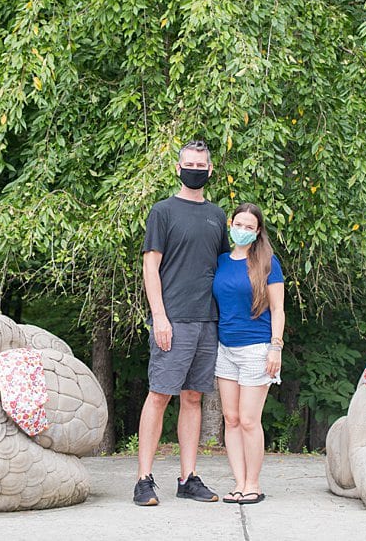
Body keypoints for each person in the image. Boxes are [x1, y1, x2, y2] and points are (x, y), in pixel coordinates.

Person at [133, 140, 230, 506]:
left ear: (209, 170)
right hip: (172, 320)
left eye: (200, 164)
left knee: (193, 398)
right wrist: (160, 316)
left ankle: (187, 478)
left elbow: (224, 268)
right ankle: (144, 479)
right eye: (188, 163)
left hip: (208, 321)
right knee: (159, 395)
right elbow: (150, 266)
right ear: (178, 168)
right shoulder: (163, 211)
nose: (194, 168)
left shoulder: (218, 216)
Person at [213, 202, 285, 505]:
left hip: (257, 349)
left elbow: (279, 309)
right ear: (231, 225)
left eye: (248, 227)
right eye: (238, 224)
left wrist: (275, 347)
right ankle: (239, 482)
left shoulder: (268, 262)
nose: (241, 230)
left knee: (248, 420)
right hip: (224, 349)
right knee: (230, 419)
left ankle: (254, 484)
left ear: (257, 232)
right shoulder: (221, 261)